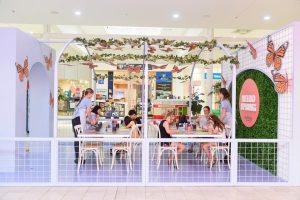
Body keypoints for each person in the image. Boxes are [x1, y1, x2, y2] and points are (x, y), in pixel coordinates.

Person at [71, 88, 95, 164]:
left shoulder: (82, 99)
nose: (92, 96)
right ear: (90, 93)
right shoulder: (88, 100)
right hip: (78, 120)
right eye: (92, 94)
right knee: (80, 138)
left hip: (74, 120)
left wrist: (88, 121)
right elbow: (88, 112)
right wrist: (91, 121)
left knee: (77, 138)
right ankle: (79, 158)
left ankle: (78, 158)